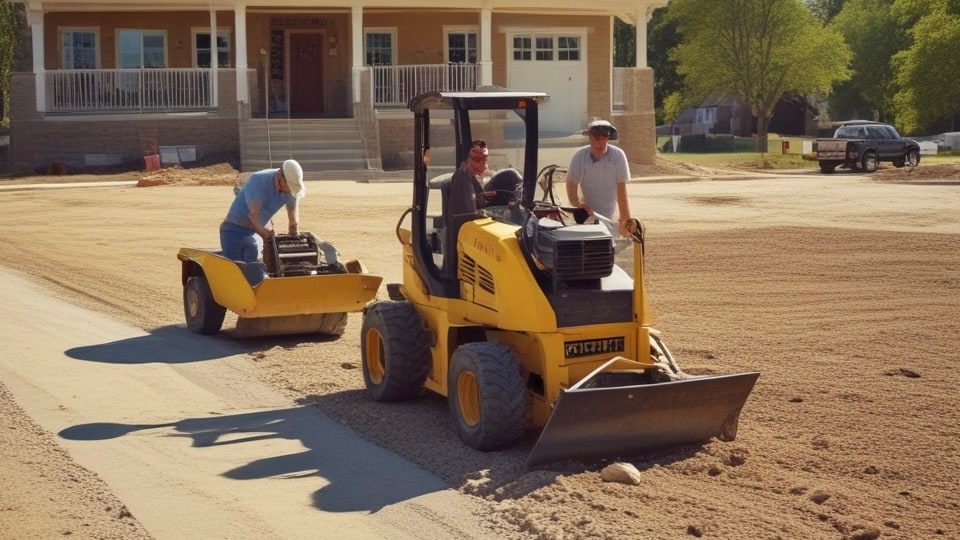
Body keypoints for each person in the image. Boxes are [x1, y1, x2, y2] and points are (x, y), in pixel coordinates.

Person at [220, 159, 305, 262]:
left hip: (252, 233)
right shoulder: (259, 181)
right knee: (234, 270)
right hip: (233, 230)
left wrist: (294, 230)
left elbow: (293, 221)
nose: (290, 192)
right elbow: (253, 219)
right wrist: (268, 236)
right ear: (281, 178)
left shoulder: (291, 189)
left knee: (253, 271)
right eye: (289, 188)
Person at [566, 119, 632, 235]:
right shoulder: (580, 156)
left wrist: (625, 220)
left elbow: (622, 192)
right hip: (587, 217)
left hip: (611, 218)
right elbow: (571, 184)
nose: (600, 139)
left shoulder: (618, 156)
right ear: (589, 136)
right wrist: (578, 204)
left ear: (608, 137)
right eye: (596, 135)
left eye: (603, 135)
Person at [449, 140, 521, 217]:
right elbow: (468, 212)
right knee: (510, 175)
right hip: (473, 223)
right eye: (477, 160)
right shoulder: (462, 177)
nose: (483, 164)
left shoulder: (470, 176)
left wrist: (485, 196)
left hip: (486, 210)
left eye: (485, 160)